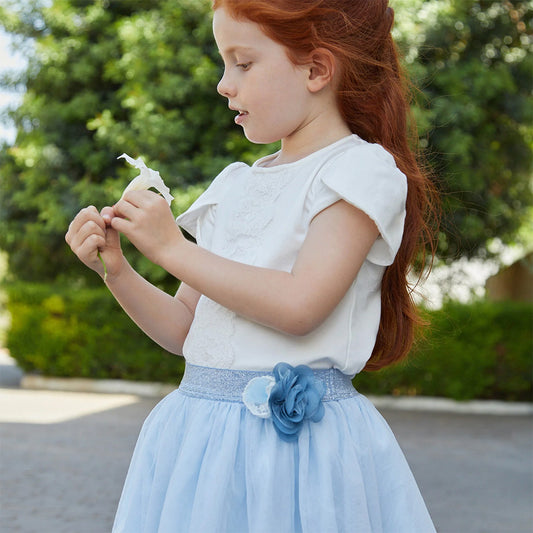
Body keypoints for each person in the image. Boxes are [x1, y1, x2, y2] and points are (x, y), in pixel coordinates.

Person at [66, 0, 438, 531]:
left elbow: (300, 305)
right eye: (224, 64)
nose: (224, 83)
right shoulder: (233, 186)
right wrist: (118, 270)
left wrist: (172, 249)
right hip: (197, 441)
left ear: (315, 69)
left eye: (242, 63)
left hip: (296, 456)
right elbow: (185, 329)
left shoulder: (358, 171)